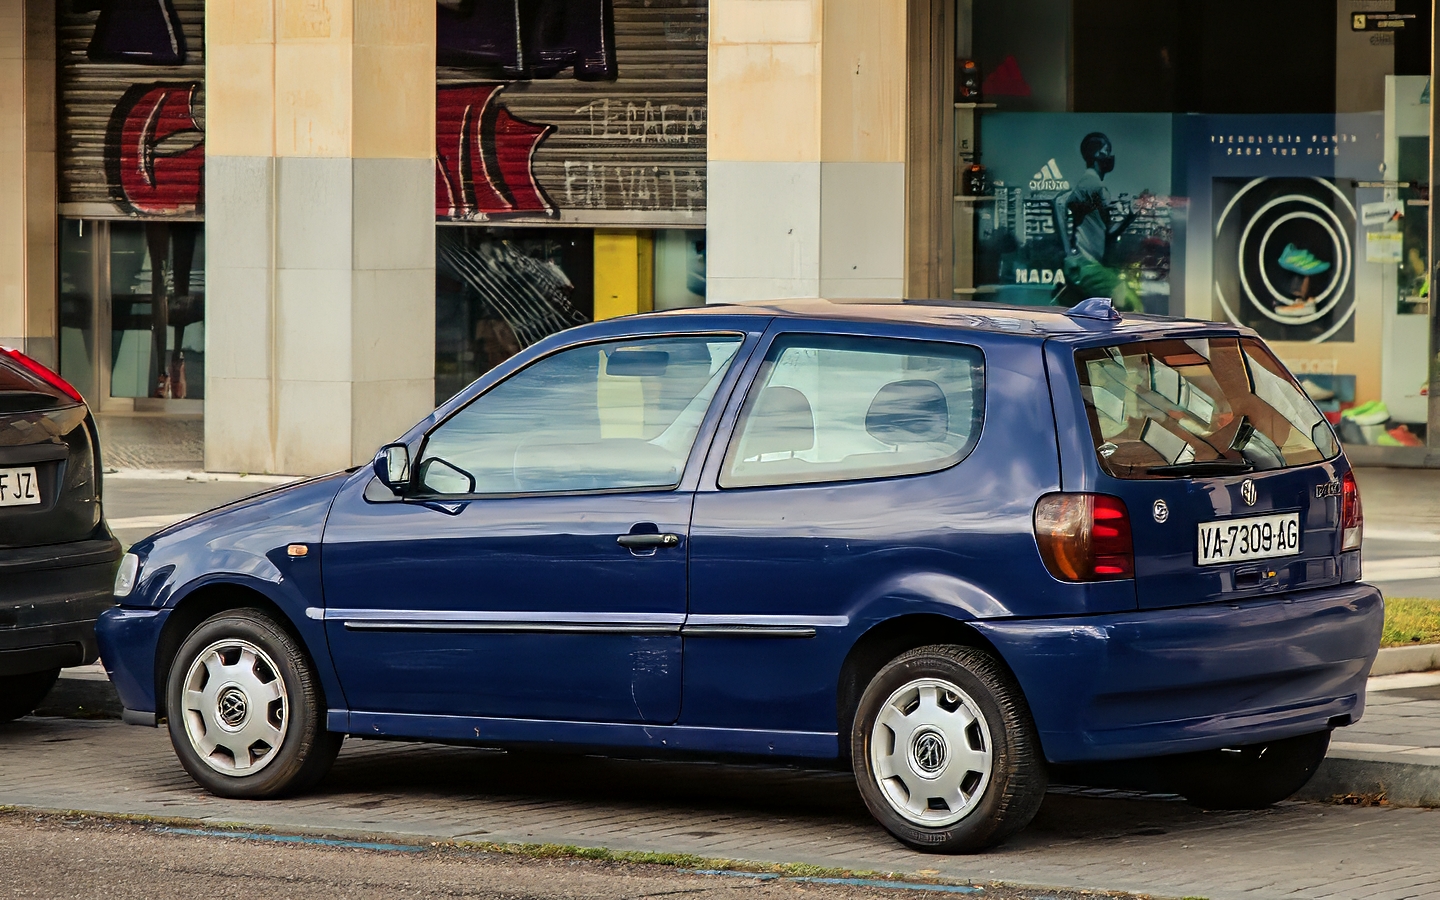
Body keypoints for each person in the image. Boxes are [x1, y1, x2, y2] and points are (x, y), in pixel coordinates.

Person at [1053, 132, 1142, 311]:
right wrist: (1069, 254)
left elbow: (1108, 233)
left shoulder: (1094, 187)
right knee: (1132, 303)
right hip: (1085, 266)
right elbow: (1060, 203)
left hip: (1091, 265)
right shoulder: (1091, 185)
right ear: (1095, 156)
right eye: (1105, 152)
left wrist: (1131, 215)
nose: (1109, 157)